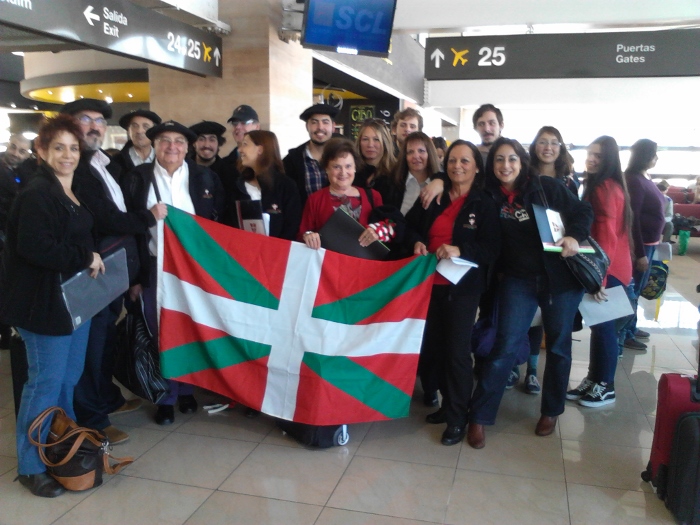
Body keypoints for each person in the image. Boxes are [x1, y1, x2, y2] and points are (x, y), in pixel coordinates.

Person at [0, 114, 105, 497]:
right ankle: (31, 465)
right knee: (44, 385)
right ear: (41, 150)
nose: (67, 154)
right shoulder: (37, 192)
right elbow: (34, 247)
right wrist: (84, 256)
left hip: (72, 302)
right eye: (58, 147)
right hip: (43, 307)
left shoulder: (67, 189)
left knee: (67, 380)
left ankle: (61, 447)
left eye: (73, 148)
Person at [467, 137, 593, 449]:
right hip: (517, 281)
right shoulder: (488, 196)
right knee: (504, 347)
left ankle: (551, 410)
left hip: (559, 280)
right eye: (498, 160)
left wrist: (575, 236)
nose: (505, 165)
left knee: (560, 348)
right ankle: (480, 416)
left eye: (512, 159)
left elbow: (582, 211)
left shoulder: (544, 187)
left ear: (522, 162)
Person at [61, 99, 161, 445]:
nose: (94, 126)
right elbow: (108, 218)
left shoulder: (103, 163)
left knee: (103, 340)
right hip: (93, 272)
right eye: (84, 119)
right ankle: (92, 419)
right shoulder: (78, 169)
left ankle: (105, 398)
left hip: (114, 269)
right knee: (91, 347)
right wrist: (149, 217)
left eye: (99, 121)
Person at [122, 120, 225, 426]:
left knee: (189, 329)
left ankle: (186, 390)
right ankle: (164, 396)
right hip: (154, 266)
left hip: (193, 268)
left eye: (179, 141)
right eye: (165, 140)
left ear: (187, 147)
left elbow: (218, 227)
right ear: (154, 145)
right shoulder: (136, 179)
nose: (172, 147)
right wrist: (136, 277)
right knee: (160, 331)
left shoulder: (205, 177)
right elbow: (128, 228)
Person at [404, 140, 500, 445]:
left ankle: (459, 417)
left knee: (457, 353)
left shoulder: (484, 202)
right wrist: (417, 242)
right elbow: (409, 227)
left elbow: (492, 247)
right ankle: (447, 406)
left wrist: (462, 248)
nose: (457, 166)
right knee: (435, 348)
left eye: (465, 161)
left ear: (476, 167)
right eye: (452, 161)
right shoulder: (435, 196)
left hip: (462, 288)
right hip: (429, 283)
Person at [507, 126, 579, 394]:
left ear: (561, 148)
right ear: (534, 146)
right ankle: (516, 365)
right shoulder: (523, 177)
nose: (548, 147)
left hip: (559, 266)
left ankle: (533, 371)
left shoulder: (569, 182)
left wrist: (572, 236)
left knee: (551, 332)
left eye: (554, 143)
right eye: (542, 142)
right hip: (525, 266)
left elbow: (580, 216)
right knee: (520, 324)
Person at [567, 136, 633, 407]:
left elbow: (606, 237)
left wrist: (599, 280)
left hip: (609, 270)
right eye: (590, 154)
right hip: (614, 266)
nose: (592, 159)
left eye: (599, 156)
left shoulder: (604, 188)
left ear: (610, 161)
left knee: (604, 329)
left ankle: (606, 386)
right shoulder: (608, 185)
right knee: (599, 327)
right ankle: (594, 380)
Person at [298, 138, 390, 250]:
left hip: (365, 265)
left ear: (355, 167)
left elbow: (389, 227)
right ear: (326, 168)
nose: (343, 172)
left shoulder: (374, 197)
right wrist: (308, 236)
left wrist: (377, 232)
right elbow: (301, 236)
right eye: (336, 167)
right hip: (327, 265)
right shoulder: (315, 200)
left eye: (348, 166)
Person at [621, 139, 665, 351]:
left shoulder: (643, 177)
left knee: (637, 291)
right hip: (639, 247)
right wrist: (639, 253)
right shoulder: (634, 180)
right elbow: (633, 219)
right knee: (632, 291)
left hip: (650, 243)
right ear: (645, 156)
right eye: (654, 154)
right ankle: (626, 333)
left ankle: (632, 326)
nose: (656, 158)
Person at [232, 130, 301, 240]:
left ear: (260, 149)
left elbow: (292, 226)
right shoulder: (237, 186)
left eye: (245, 144)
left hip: (277, 252)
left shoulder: (286, 186)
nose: (240, 150)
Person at [374, 131, 441, 217]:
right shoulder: (390, 184)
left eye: (421, 151)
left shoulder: (440, 184)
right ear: (404, 156)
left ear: (430, 154)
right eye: (410, 152)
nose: (416, 156)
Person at [283, 103, 338, 206]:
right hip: (305, 220)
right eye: (314, 122)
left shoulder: (344, 156)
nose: (320, 127)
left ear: (333, 127)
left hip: (339, 220)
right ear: (307, 126)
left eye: (325, 122)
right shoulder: (292, 161)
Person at [353, 119, 396, 189]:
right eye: (365, 139)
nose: (370, 145)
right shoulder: (351, 171)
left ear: (385, 143)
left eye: (376, 139)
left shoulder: (396, 172)